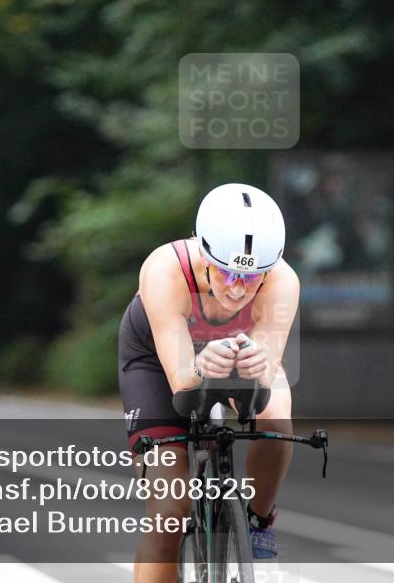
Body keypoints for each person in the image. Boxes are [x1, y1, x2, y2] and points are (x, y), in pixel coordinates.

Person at [118, 183, 300, 583]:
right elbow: (183, 382)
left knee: (276, 419)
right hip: (157, 359)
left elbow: (262, 382)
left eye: (253, 276)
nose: (238, 287)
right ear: (204, 251)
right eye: (228, 271)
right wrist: (200, 369)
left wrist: (254, 367)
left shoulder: (283, 280)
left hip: (237, 349)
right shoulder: (164, 268)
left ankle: (258, 520)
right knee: (168, 512)